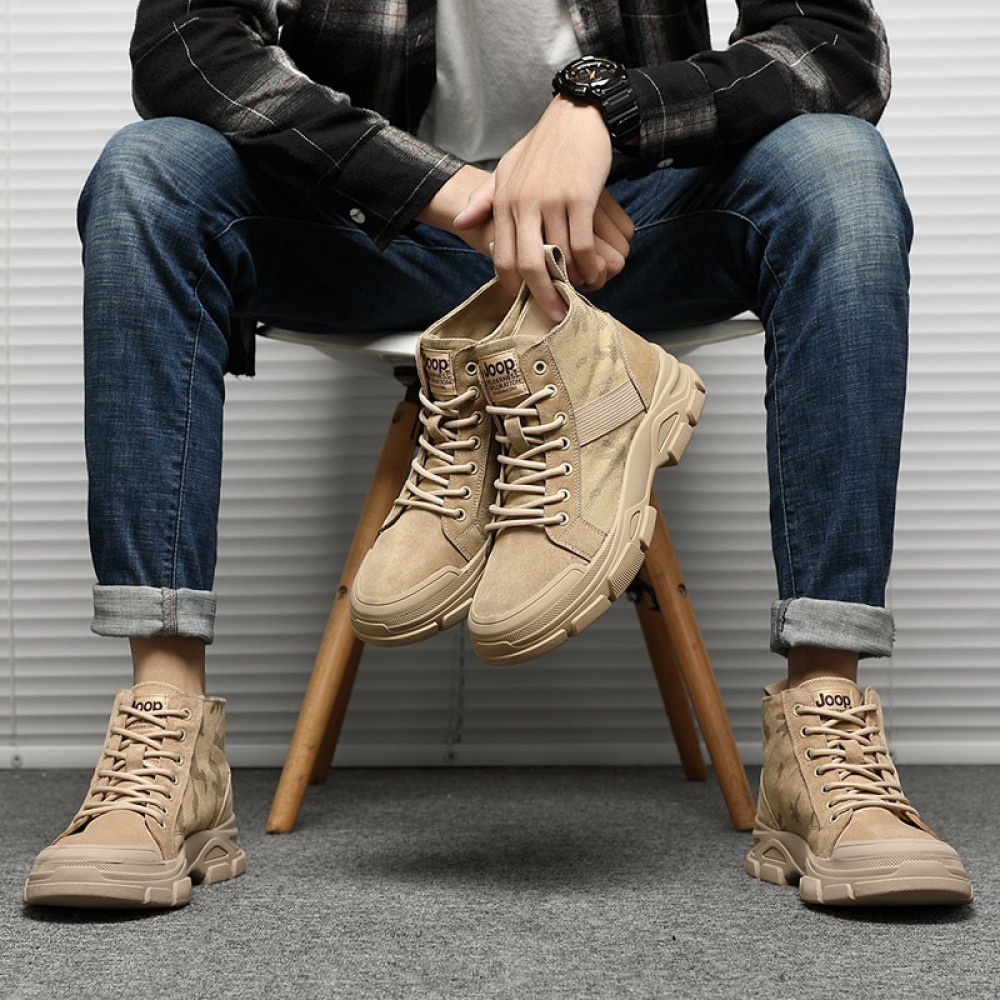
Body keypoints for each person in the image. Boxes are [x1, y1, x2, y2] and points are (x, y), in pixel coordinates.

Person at [22, 0, 973, 909]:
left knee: (838, 167)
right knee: (149, 171)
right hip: (383, 223)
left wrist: (608, 110)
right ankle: (168, 732)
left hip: (621, 226)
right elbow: (187, 43)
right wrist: (445, 188)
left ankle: (823, 725)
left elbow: (834, 46)